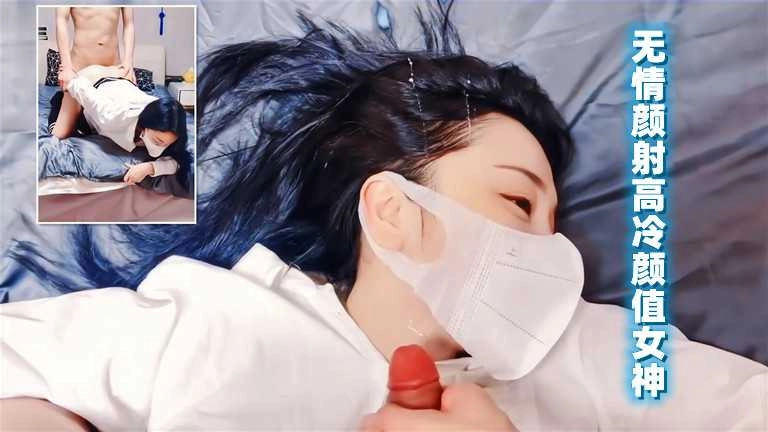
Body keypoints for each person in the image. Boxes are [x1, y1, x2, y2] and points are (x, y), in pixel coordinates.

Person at [3, 5, 766, 431]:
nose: (550, 245)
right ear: (394, 210)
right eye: (517, 201)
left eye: (552, 217)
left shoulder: (587, 348)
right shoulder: (218, 320)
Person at [48, 64, 189, 185]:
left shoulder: (173, 124)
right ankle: (60, 97)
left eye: (167, 144)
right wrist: (70, 76)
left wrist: (149, 168)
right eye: (158, 141)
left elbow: (179, 161)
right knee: (58, 133)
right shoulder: (114, 116)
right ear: (145, 126)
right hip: (95, 81)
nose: (162, 148)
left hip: (126, 87)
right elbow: (85, 92)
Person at [53, 7, 135, 140]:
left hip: (112, 68)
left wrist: (128, 62)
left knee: (119, 124)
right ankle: (59, 102)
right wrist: (67, 67)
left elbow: (129, 24)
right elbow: (61, 20)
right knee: (62, 132)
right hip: (80, 68)